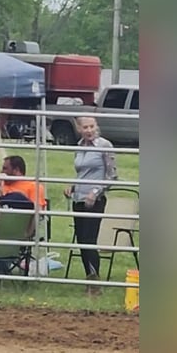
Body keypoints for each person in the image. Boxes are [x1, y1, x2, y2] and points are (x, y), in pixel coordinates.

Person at [64, 116, 118, 293]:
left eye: (91, 126)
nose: (89, 130)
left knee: (89, 239)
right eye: (85, 127)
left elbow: (111, 176)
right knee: (81, 240)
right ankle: (90, 278)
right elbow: (82, 173)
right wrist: (72, 186)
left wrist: (95, 192)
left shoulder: (104, 146)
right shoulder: (79, 147)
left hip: (95, 201)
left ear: (96, 127)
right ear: (79, 129)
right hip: (78, 199)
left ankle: (95, 282)